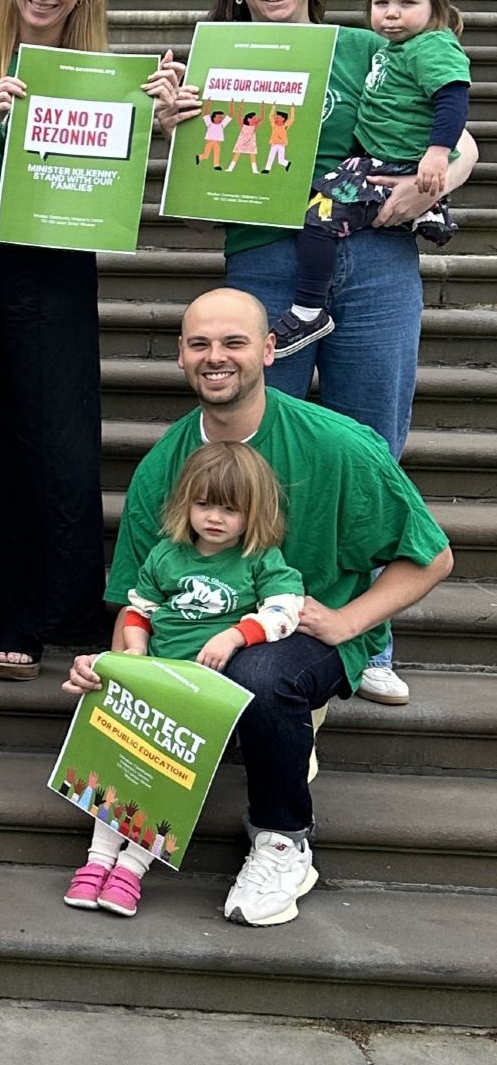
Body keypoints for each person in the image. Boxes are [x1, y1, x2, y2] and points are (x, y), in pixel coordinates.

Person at [157, 0, 478, 704]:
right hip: (269, 262)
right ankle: (254, 613)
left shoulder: (368, 47)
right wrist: (173, 125)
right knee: (258, 445)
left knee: (372, 440)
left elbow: (461, 133)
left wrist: (430, 183)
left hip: (372, 256)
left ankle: (365, 632)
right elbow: (200, 173)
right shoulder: (215, 65)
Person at [68, 290, 452, 927]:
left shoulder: (338, 445)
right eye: (199, 344)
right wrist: (114, 670)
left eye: (233, 342)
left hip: (301, 637)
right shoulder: (164, 465)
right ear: (183, 358)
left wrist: (348, 622)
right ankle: (116, 850)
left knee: (261, 677)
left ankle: (282, 839)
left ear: (270, 351)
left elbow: (432, 557)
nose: (215, 357)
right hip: (188, 648)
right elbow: (136, 604)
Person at [0, 0, 180, 680]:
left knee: (50, 437)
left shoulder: (103, 71)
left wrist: (158, 122)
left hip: (55, 256)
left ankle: (30, 619)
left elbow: (119, 174)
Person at [62, 442, 304, 919]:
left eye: (230, 509)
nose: (215, 517)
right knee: (119, 765)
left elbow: (286, 609)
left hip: (202, 694)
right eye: (204, 504)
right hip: (155, 681)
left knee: (166, 781)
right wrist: (132, 649)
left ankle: (131, 868)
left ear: (253, 512)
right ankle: (96, 862)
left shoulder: (259, 559)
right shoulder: (167, 555)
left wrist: (236, 636)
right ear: (185, 504)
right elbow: (140, 608)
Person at [270, 0, 470, 359]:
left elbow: (455, 113)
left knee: (319, 214)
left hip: (389, 167)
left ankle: (308, 310)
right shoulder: (392, 49)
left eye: (407, 2)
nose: (392, 13)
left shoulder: (429, 47)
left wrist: (433, 168)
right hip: (373, 158)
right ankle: (433, 214)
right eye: (382, 3)